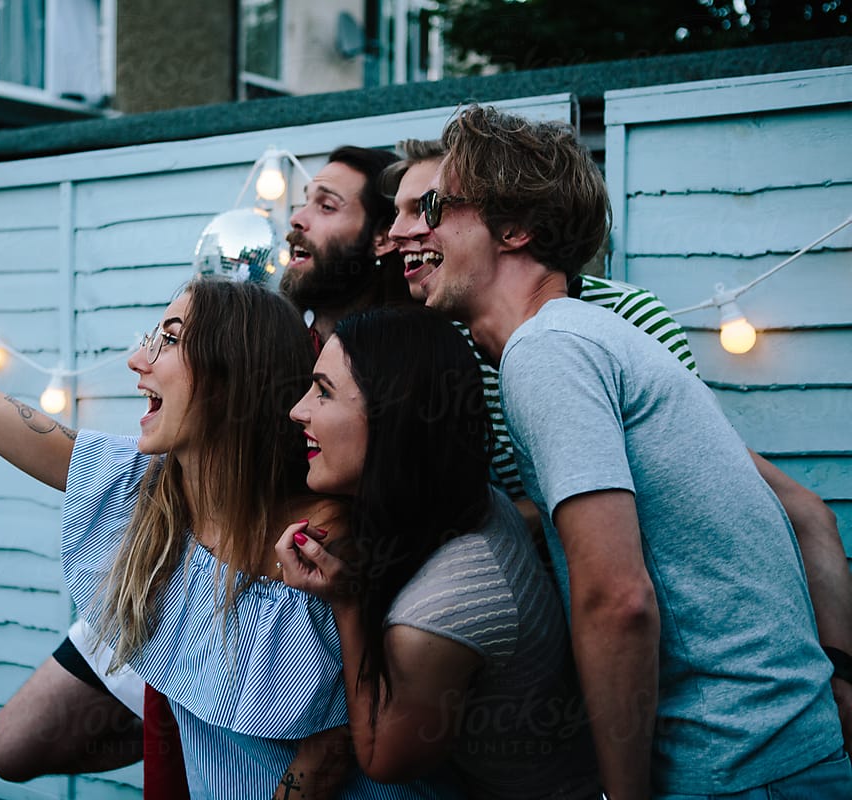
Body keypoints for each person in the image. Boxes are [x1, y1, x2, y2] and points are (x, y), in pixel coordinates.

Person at [0, 165, 447, 800]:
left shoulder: (319, 539)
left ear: (233, 373)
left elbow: (329, 752)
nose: (136, 358)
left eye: (170, 338)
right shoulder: (139, 485)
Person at [418, 104, 852, 798]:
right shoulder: (587, 339)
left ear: (516, 227)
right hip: (775, 755)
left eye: (439, 204)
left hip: (733, 767)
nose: (421, 226)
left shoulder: (548, 352)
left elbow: (617, 598)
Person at [277, 306, 601, 799]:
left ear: (393, 415)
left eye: (323, 392)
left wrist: (347, 604)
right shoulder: (468, 497)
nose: (298, 409)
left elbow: (386, 759)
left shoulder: (438, 615)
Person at [281, 145, 414, 345]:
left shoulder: (413, 355)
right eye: (305, 201)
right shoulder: (273, 343)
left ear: (384, 239)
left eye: (327, 206)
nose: (296, 218)